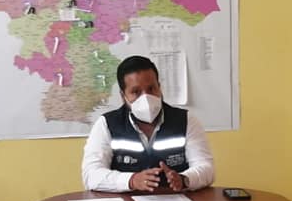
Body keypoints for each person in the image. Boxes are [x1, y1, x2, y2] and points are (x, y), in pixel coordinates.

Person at [81, 55, 215, 193]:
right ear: (123, 96)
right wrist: (131, 180)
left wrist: (184, 179)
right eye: (136, 92)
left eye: (151, 89)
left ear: (159, 88)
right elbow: (91, 175)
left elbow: (207, 168)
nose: (146, 97)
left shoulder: (186, 120)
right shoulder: (107, 124)